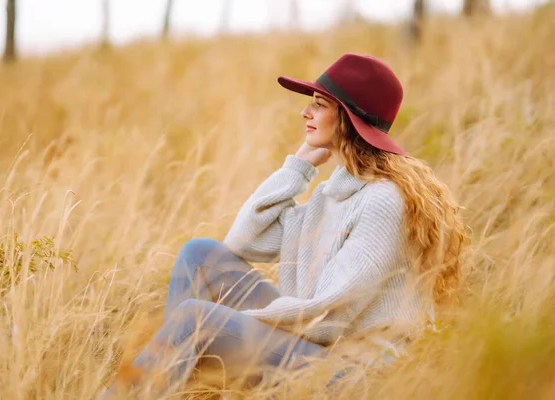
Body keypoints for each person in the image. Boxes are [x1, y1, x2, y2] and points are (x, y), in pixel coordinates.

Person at [100, 53, 468, 398]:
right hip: (317, 348)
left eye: (319, 104)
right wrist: (298, 166)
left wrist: (230, 324)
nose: (305, 112)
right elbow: (244, 241)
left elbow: (329, 317)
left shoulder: (383, 201)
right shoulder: (331, 195)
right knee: (201, 255)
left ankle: (154, 382)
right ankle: (180, 384)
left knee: (197, 319)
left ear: (350, 120)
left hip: (356, 375)